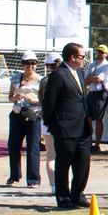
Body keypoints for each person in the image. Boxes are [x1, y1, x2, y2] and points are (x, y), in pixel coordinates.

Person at [41, 43, 91, 210]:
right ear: (72, 57)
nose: (84, 60)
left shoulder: (80, 72)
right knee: (64, 163)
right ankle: (63, 197)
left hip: (82, 126)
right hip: (65, 127)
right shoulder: (58, 75)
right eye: (82, 57)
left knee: (83, 164)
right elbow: (49, 102)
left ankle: (78, 195)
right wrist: (51, 124)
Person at [6, 51, 42, 188]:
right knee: (13, 146)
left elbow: (45, 100)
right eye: (27, 63)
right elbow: (10, 97)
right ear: (22, 64)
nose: (30, 66)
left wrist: (34, 100)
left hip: (33, 115)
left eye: (33, 63)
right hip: (17, 114)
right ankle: (14, 175)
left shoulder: (41, 80)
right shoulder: (16, 78)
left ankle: (33, 179)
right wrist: (15, 97)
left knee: (33, 147)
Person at [38, 52, 61, 192]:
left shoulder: (44, 81)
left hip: (47, 120)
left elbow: (41, 100)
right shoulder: (64, 79)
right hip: (60, 121)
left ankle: (54, 185)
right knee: (60, 155)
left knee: (51, 155)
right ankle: (61, 184)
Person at [83, 44, 108, 152]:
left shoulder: (107, 66)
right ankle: (89, 142)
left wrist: (92, 79)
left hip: (101, 93)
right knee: (88, 118)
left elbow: (99, 79)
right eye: (98, 51)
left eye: (102, 52)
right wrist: (92, 79)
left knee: (99, 119)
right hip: (91, 92)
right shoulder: (92, 64)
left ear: (106, 54)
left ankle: (97, 144)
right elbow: (85, 79)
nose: (99, 53)